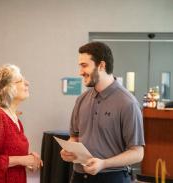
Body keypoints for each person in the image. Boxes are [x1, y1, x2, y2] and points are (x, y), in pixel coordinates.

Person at [60, 42, 145, 183]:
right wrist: (69, 151)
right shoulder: (81, 100)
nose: (80, 72)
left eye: (84, 65)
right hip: (79, 177)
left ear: (101, 65)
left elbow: (137, 153)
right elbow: (74, 137)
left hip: (112, 178)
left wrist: (104, 163)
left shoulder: (128, 103)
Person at [0, 64, 43, 183]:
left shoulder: (16, 120)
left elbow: (6, 153)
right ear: (7, 88)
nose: (27, 83)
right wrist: (22, 160)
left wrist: (28, 160)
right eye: (21, 80)